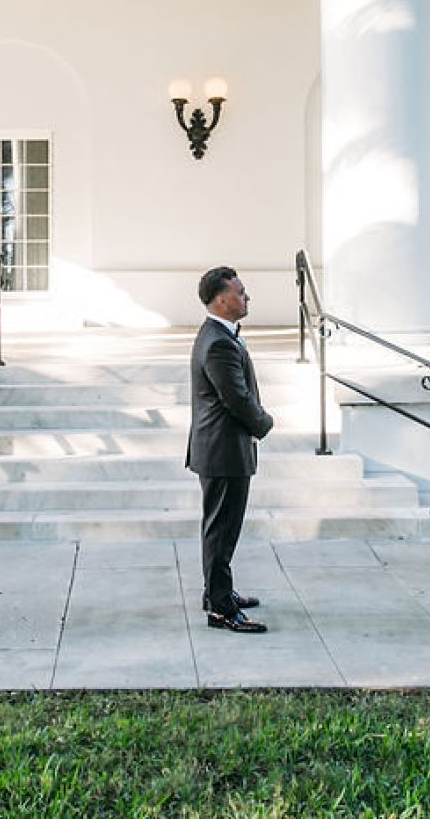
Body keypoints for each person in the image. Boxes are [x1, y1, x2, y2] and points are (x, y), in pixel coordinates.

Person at [187, 266, 274, 634]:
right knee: (222, 530)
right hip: (223, 450)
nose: (247, 297)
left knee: (220, 527)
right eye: (241, 292)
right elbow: (235, 397)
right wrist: (264, 423)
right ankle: (221, 609)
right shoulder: (219, 341)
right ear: (223, 300)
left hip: (220, 448)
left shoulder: (217, 334)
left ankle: (217, 593)